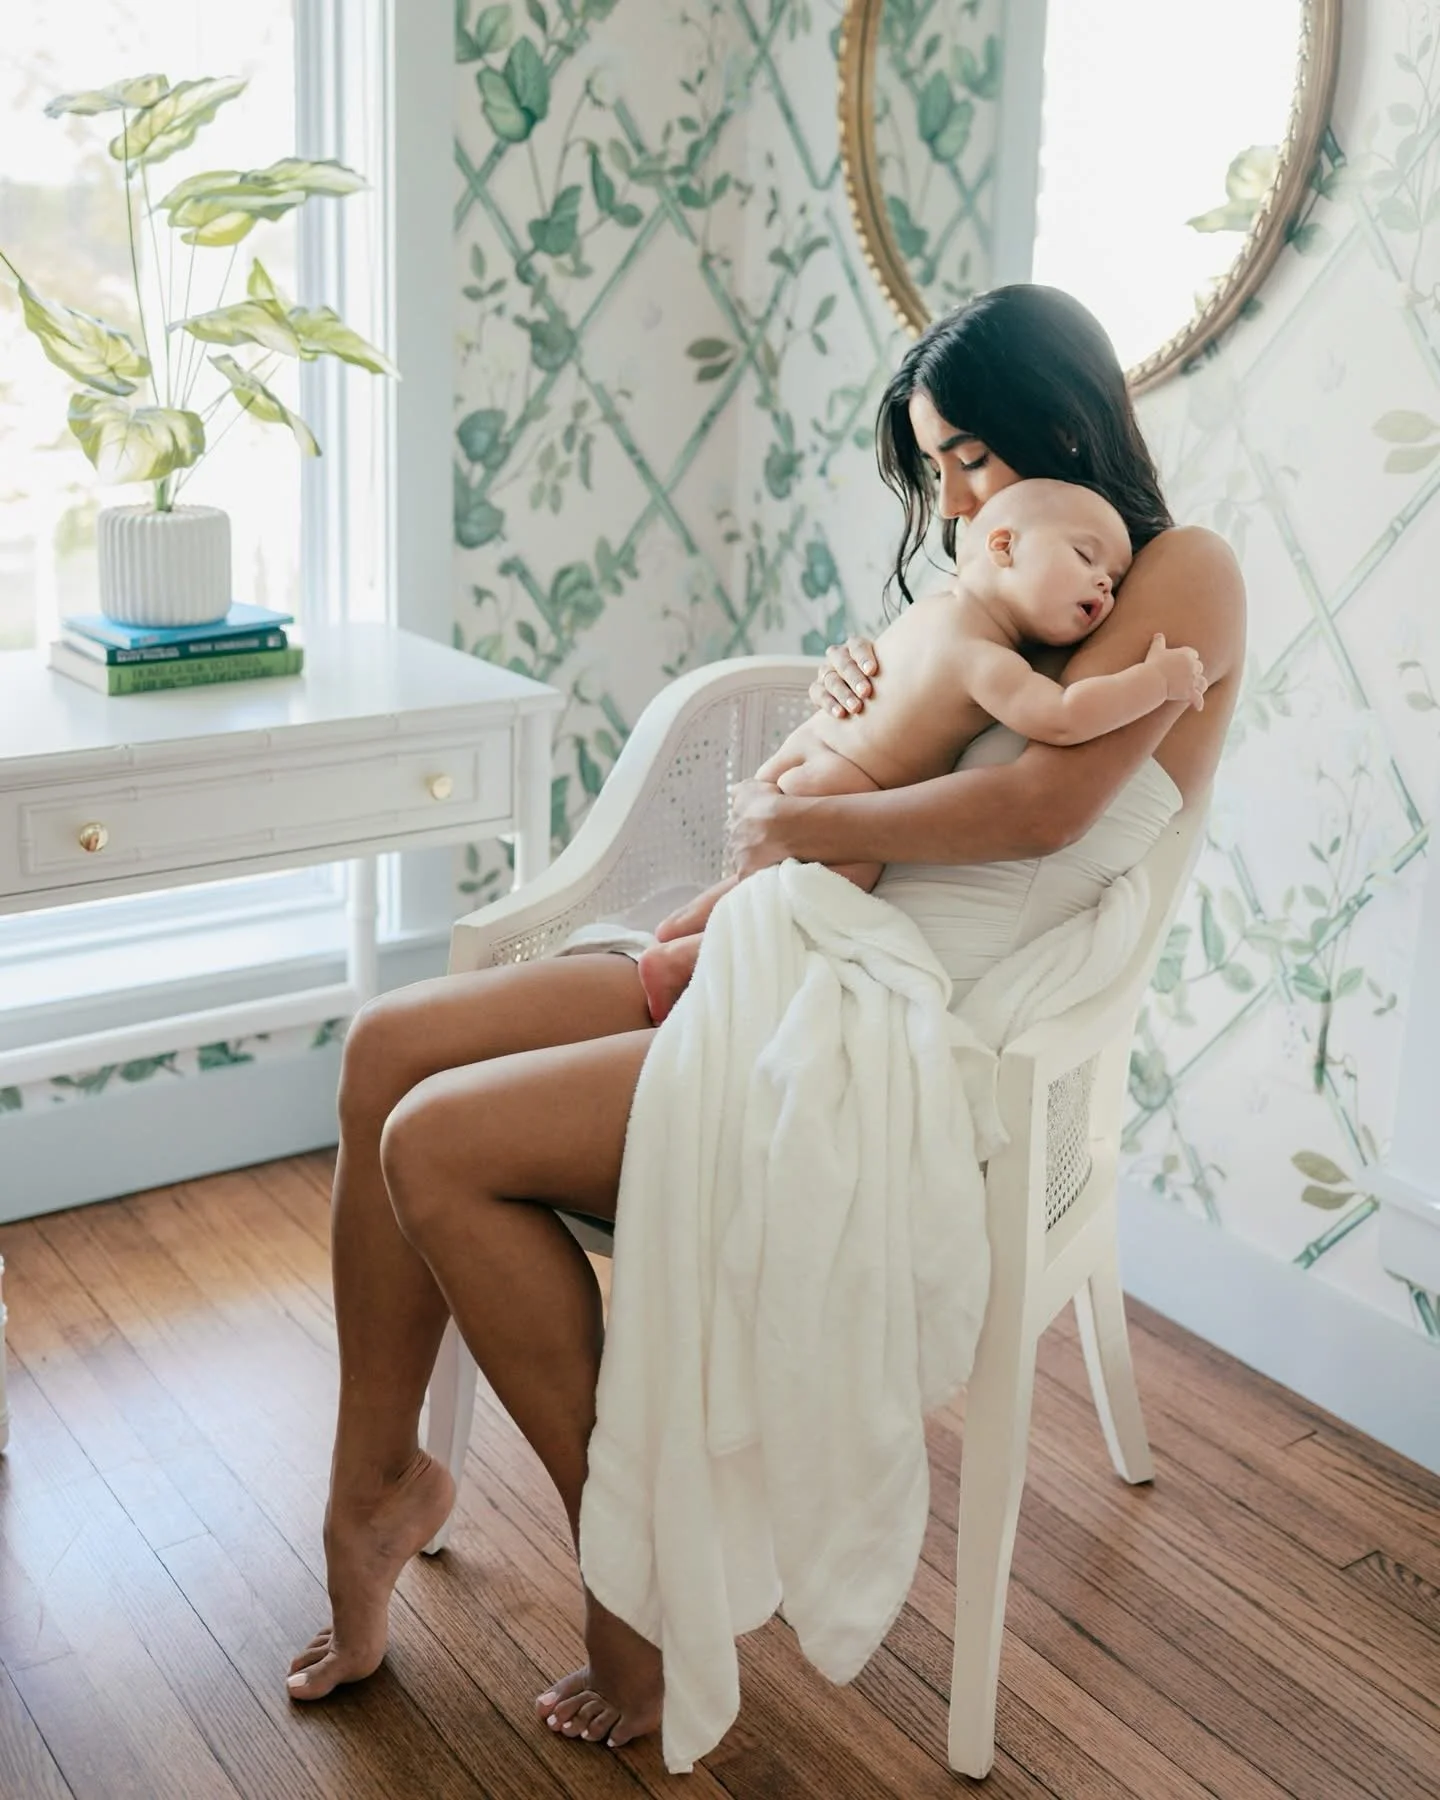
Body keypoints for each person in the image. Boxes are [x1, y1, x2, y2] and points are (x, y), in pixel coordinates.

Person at [286, 284, 1245, 1756]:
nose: (955, 498)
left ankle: (637, 1598)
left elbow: (1043, 808)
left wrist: (802, 823)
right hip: (798, 943)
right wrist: (865, 685)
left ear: (1064, 420)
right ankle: (374, 1488)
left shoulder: (1181, 572)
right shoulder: (1002, 582)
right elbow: (897, 741)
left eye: (969, 454)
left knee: (437, 1144)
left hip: (903, 1030)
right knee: (384, 1046)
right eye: (938, 468)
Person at [636, 476, 1208, 1022]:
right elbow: (1062, 717)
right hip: (842, 782)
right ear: (1003, 547)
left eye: (1113, 580)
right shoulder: (982, 655)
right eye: (1085, 557)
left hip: (805, 753)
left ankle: (684, 924)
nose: (1104, 585)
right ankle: (687, 961)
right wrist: (1156, 681)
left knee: (772, 879)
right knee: (830, 893)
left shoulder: (931, 612)